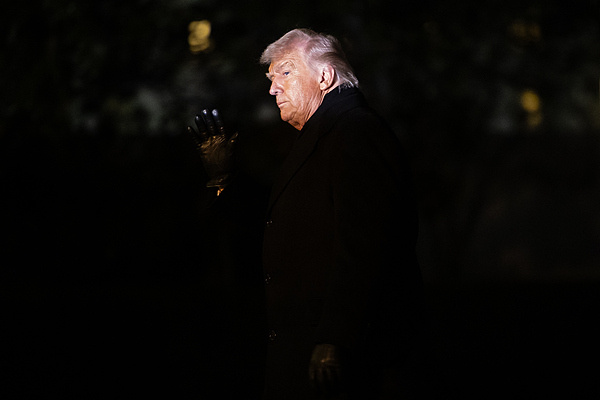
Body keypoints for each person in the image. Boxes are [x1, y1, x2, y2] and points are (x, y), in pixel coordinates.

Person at [189, 28, 429, 400]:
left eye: (285, 72)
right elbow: (277, 224)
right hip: (308, 356)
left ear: (325, 76)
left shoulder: (354, 131)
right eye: (270, 78)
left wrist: (335, 338)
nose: (273, 89)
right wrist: (222, 179)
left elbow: (365, 247)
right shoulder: (324, 137)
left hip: (338, 363)